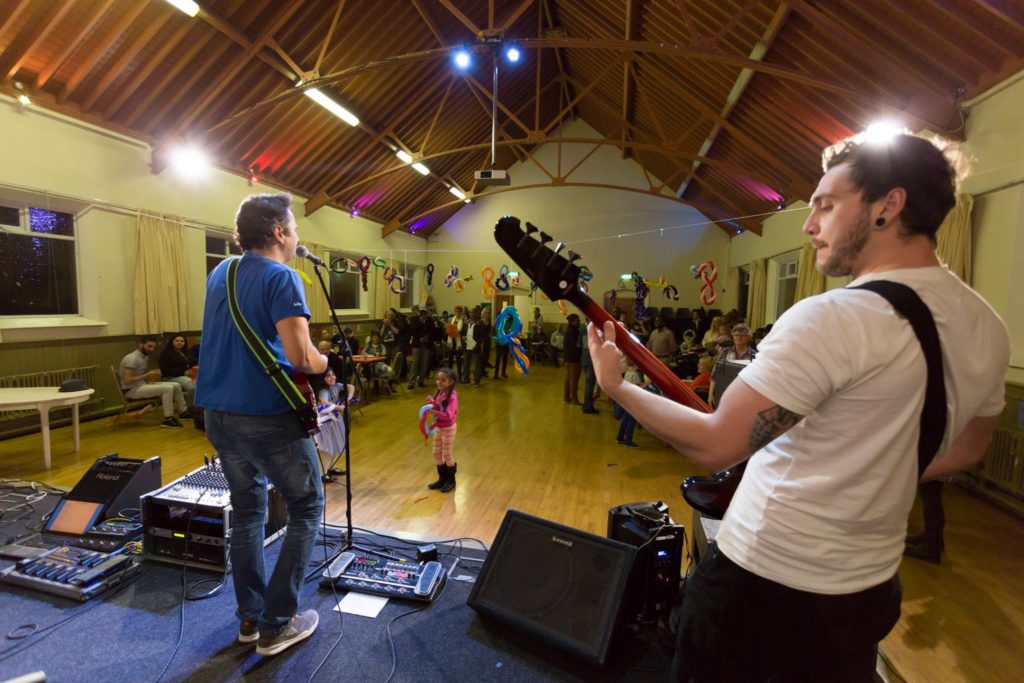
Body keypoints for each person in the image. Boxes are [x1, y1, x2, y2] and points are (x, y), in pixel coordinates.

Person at [588, 133, 1010, 681]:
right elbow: (968, 448)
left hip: (764, 587)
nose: (810, 225)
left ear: (889, 205)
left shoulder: (834, 318)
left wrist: (619, 387)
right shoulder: (988, 326)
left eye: (827, 205)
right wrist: (865, 469)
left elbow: (716, 442)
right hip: (868, 589)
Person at [195, 193, 328, 657]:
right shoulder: (283, 277)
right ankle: (277, 625)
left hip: (216, 415)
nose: (296, 237)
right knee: (307, 506)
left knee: (249, 513)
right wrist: (330, 361)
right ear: (278, 232)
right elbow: (302, 358)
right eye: (293, 228)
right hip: (266, 417)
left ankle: (250, 619)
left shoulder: (221, 272)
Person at [120, 336, 190, 428]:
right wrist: (146, 375)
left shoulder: (143, 356)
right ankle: (168, 418)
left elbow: (139, 376)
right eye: (149, 346)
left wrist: (151, 375)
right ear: (141, 344)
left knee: (176, 385)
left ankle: (183, 412)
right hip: (131, 390)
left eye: (153, 347)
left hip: (140, 385)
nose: (151, 349)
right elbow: (127, 380)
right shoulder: (132, 358)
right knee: (167, 388)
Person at [425, 367, 459, 493]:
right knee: (436, 453)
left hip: (448, 428)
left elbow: (448, 415)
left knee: (447, 454)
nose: (439, 382)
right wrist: (431, 402)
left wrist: (434, 412)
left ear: (450, 382)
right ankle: (442, 479)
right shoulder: (440, 393)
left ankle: (451, 481)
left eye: (443, 380)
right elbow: (438, 405)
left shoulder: (453, 397)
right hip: (439, 426)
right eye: (438, 379)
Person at [708, 323, 757, 408]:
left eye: (743, 335)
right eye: (736, 335)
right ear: (733, 337)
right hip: (725, 392)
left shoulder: (754, 355)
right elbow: (715, 374)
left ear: (749, 337)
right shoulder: (725, 352)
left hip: (745, 395)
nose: (739, 337)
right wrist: (711, 393)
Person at [158, 333, 196, 403]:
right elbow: (165, 370)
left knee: (205, 383)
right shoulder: (166, 353)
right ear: (172, 342)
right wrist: (183, 372)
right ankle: (191, 409)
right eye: (177, 341)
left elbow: (193, 363)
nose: (179, 343)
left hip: (188, 376)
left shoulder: (187, 352)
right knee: (194, 388)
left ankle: (204, 408)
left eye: (182, 341)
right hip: (171, 377)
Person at [615, 356, 643, 448]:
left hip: (626, 399)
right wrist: (647, 383)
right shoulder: (635, 375)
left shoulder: (628, 372)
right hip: (632, 401)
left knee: (625, 418)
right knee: (631, 420)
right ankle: (628, 440)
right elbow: (637, 389)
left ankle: (620, 437)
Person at [462, 307, 486, 386]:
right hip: (467, 347)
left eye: (474, 312)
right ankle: (466, 380)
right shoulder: (466, 323)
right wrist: (463, 337)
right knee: (466, 365)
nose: (472, 314)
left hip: (476, 348)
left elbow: (482, 336)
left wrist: (477, 344)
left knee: (477, 366)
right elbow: (462, 333)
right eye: (471, 312)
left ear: (477, 314)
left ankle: (476, 381)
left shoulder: (480, 323)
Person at [562, 314, 582, 405]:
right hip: (574, 359)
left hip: (568, 358)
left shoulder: (568, 330)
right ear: (572, 322)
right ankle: (574, 400)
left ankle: (566, 398)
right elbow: (577, 346)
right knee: (574, 380)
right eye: (577, 321)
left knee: (569, 378)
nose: (579, 322)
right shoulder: (573, 332)